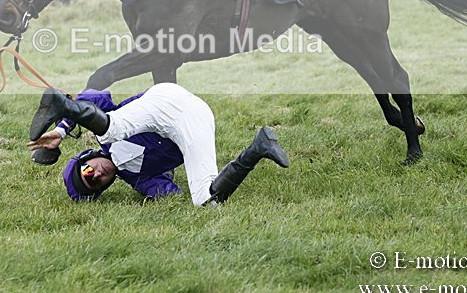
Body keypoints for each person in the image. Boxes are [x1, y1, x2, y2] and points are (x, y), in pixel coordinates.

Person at [26, 84, 289, 206]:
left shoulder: (102, 138)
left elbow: (97, 94)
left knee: (112, 130)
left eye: (87, 172)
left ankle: (62, 105)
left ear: (86, 158)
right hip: (196, 119)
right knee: (205, 201)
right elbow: (172, 193)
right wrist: (156, 197)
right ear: (105, 186)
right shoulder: (140, 181)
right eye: (94, 182)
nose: (96, 174)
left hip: (163, 101)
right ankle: (259, 147)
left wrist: (62, 128)